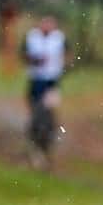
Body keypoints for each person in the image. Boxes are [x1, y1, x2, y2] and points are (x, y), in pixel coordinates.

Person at [21, 16, 70, 169]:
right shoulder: (32, 38)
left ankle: (46, 145)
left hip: (52, 82)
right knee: (36, 113)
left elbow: (68, 56)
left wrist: (62, 67)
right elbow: (23, 55)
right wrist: (33, 60)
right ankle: (36, 145)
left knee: (47, 114)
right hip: (36, 82)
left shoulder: (59, 39)